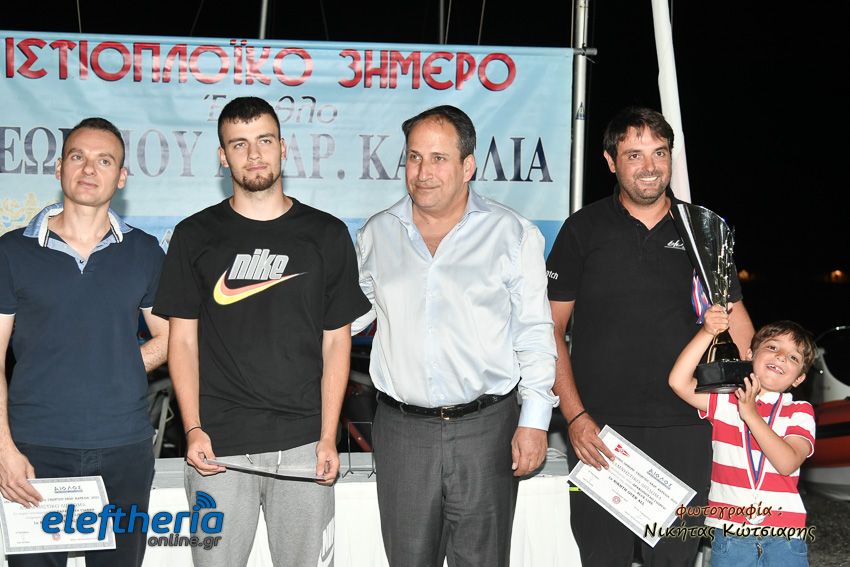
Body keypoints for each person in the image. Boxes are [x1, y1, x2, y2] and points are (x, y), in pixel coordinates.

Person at [153, 96, 370, 567]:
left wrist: (328, 436)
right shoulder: (193, 236)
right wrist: (192, 429)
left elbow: (337, 342)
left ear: (283, 148)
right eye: (239, 144)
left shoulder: (327, 234)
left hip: (304, 444)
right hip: (218, 447)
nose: (254, 154)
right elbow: (182, 342)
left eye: (264, 141)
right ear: (222, 156)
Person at [546, 106, 755, 565]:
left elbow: (737, 322)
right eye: (634, 155)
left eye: (659, 153)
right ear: (610, 161)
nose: (649, 167)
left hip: (688, 429)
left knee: (675, 560)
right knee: (603, 559)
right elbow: (551, 330)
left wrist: (754, 401)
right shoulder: (583, 228)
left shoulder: (704, 229)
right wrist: (575, 416)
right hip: (600, 433)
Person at [353, 105, 557, 567]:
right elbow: (350, 317)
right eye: (414, 157)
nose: (423, 172)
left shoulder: (512, 234)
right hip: (402, 432)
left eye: (438, 158)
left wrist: (535, 421)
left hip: (487, 430)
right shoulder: (376, 234)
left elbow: (534, 331)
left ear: (468, 166)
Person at [0, 117, 168, 567]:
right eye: (78, 156)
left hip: (125, 449)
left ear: (122, 176)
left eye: (104, 160)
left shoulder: (144, 252)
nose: (89, 169)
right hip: (35, 450)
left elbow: (170, 338)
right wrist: (4, 449)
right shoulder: (11, 252)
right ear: (59, 168)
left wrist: (120, 365)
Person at [669, 309, 816, 566]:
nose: (781, 356)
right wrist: (707, 332)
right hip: (730, 532)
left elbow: (787, 462)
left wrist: (750, 414)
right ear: (749, 354)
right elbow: (678, 382)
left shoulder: (799, 411)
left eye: (793, 357)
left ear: (799, 378)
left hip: (784, 533)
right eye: (772, 347)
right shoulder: (725, 401)